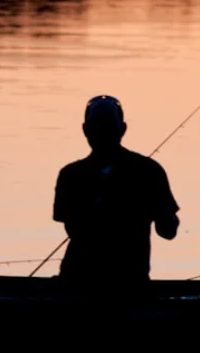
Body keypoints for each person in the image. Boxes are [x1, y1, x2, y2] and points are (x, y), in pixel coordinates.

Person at [52, 95, 179, 285]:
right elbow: (73, 229)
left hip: (130, 280)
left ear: (123, 129)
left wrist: (157, 209)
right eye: (97, 125)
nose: (102, 131)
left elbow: (168, 231)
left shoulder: (149, 171)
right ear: (86, 130)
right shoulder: (71, 175)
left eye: (108, 124)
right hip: (77, 279)